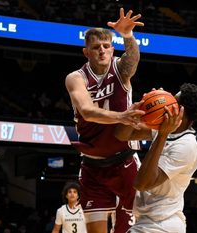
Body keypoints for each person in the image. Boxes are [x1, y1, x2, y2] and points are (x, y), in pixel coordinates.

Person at [65, 8, 145, 233]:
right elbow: (87, 111)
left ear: (112, 49)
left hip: (125, 162)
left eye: (106, 46)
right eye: (96, 47)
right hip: (92, 166)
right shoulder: (76, 78)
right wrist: (122, 116)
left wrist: (128, 36)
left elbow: (133, 59)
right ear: (86, 52)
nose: (102, 50)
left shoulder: (121, 69)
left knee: (129, 229)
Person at [115, 83, 197, 233]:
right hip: (151, 221)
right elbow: (122, 135)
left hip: (161, 224)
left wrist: (162, 134)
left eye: (174, 101)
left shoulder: (186, 145)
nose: (169, 101)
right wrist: (141, 110)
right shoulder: (167, 130)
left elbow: (142, 183)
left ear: (181, 111)